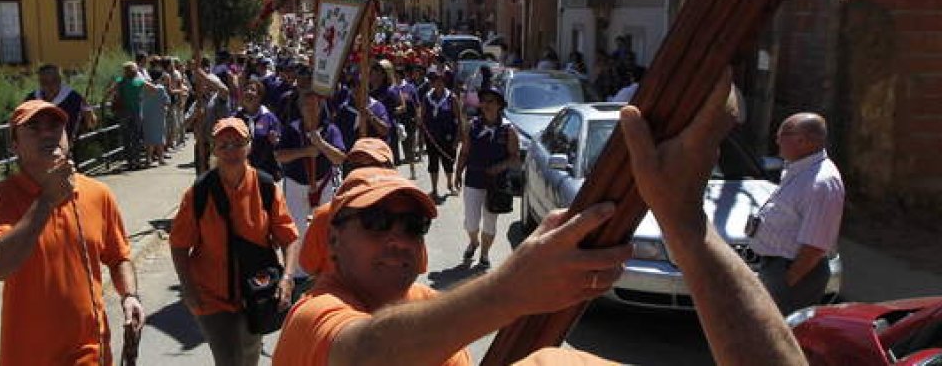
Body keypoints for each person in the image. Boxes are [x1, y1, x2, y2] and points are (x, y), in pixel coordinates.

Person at [272, 73, 809, 366]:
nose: (397, 237)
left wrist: (687, 229)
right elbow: (364, 355)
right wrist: (509, 290)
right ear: (333, 238)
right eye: (375, 221)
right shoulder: (315, 313)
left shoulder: (429, 306)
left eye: (412, 225)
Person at [0, 100, 144, 365]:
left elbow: (119, 256)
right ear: (15, 145)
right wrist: (46, 201)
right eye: (33, 128)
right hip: (26, 356)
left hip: (89, 351)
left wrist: (130, 296)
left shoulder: (98, 193)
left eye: (55, 125)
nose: (47, 133)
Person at [170, 118, 301, 366]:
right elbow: (178, 244)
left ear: (249, 147)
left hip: (256, 292)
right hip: (210, 295)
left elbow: (289, 237)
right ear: (214, 150)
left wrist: (287, 278)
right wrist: (187, 287)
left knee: (249, 356)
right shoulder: (199, 192)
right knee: (228, 359)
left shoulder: (265, 187)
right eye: (223, 145)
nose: (231, 151)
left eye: (237, 143)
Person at [747, 112, 845, 315]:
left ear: (802, 140)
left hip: (794, 274)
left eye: (782, 135)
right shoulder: (799, 169)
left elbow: (815, 246)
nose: (777, 141)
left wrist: (787, 281)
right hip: (776, 268)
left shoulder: (822, 182)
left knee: (782, 335)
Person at [298, 139, 396, 278]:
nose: (363, 173)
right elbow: (308, 265)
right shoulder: (325, 216)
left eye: (373, 166)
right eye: (355, 166)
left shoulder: (405, 215)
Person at [275, 91, 346, 277]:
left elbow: (339, 158)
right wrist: (305, 151)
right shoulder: (291, 129)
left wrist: (321, 144)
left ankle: (326, 269)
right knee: (297, 228)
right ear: (300, 108)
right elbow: (280, 155)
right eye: (306, 106)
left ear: (321, 107)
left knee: (326, 225)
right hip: (296, 183)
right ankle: (298, 272)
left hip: (323, 182)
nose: (311, 110)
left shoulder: (331, 130)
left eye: (314, 105)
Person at [454, 86, 519, 267]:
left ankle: (484, 254)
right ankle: (473, 241)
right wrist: (458, 172)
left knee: (490, 223)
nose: (486, 105)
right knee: (471, 222)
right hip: (473, 179)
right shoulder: (472, 126)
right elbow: (465, 152)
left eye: (491, 101)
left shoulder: (508, 130)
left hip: (495, 185)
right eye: (484, 101)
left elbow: (515, 158)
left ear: (499, 105)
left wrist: (499, 167)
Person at [26, 64, 96, 164]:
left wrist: (88, 114)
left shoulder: (74, 98)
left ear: (60, 80)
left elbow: (91, 124)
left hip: (68, 155)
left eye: (54, 81)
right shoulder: (31, 100)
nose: (50, 86)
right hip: (40, 157)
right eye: (45, 82)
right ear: (40, 83)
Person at [419, 70, 462, 200]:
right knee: (433, 163)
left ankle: (450, 184)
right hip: (431, 136)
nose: (438, 84)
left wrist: (457, 139)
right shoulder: (427, 97)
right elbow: (422, 117)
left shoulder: (452, 98)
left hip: (448, 136)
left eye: (440, 81)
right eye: (435, 81)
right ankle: (434, 189)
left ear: (444, 82)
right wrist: (420, 137)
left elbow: (459, 120)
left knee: (448, 161)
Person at [233, 80, 282, 180]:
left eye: (252, 90)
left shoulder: (269, 118)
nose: (248, 92)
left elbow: (280, 144)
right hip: (241, 172)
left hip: (265, 172)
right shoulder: (235, 118)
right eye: (246, 89)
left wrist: (276, 141)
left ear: (260, 97)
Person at [106, 61, 147, 171]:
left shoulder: (120, 81)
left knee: (126, 137)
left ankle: (129, 161)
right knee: (136, 137)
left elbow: (108, 92)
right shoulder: (139, 82)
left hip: (123, 112)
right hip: (136, 112)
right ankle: (137, 161)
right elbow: (153, 89)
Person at [139, 63, 171, 167]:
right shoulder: (161, 88)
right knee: (160, 136)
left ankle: (148, 159)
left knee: (149, 137)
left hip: (147, 115)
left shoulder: (145, 88)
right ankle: (161, 158)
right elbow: (167, 101)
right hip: (159, 115)